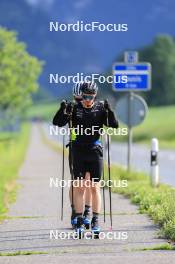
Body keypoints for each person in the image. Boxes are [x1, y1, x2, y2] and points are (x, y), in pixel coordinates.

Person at [53, 81, 119, 236]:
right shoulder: (75, 108)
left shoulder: (100, 108)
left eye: (90, 96)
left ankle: (93, 218)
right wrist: (62, 110)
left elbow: (114, 125)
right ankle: (78, 217)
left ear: (95, 96)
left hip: (94, 150)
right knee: (79, 186)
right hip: (77, 150)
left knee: (94, 186)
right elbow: (57, 122)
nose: (86, 99)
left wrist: (110, 111)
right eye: (83, 96)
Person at [70, 83, 92, 229]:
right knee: (76, 182)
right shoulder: (71, 108)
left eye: (82, 98)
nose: (81, 101)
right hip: (75, 147)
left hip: (91, 148)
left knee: (89, 181)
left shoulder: (92, 106)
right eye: (78, 99)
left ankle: (87, 211)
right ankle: (75, 210)